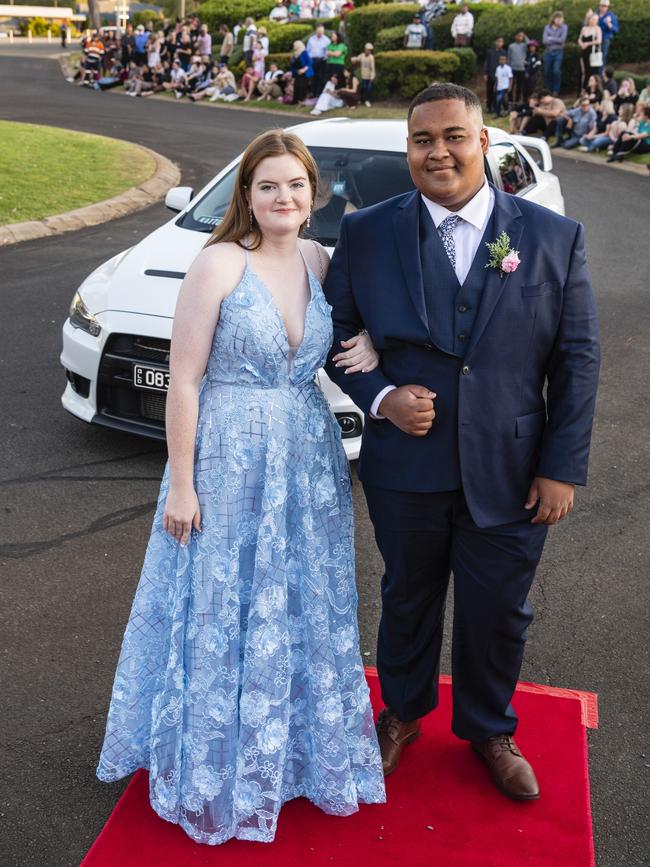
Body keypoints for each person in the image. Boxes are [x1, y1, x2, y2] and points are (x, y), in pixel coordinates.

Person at [96, 128, 386, 844]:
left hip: (306, 457)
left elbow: (372, 315)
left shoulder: (323, 259)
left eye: (294, 185)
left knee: (293, 596)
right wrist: (183, 485)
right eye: (267, 186)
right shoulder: (220, 262)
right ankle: (214, 764)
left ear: (313, 194)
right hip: (225, 452)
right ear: (247, 197)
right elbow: (185, 382)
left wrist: (374, 341)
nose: (282, 197)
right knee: (224, 599)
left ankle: (283, 757)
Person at [323, 82, 600, 803]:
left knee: (499, 607)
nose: (437, 151)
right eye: (422, 140)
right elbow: (332, 336)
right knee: (407, 594)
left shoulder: (550, 237)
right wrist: (380, 397)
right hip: (404, 466)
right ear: (408, 149)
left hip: (511, 468)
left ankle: (489, 727)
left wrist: (562, 467)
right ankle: (402, 713)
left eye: (452, 136)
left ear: (484, 142)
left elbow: (576, 360)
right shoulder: (366, 232)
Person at [542, 11, 567, 96]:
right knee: (547, 72)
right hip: (548, 51)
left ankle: (556, 90)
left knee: (556, 70)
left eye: (561, 19)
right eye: (558, 19)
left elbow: (562, 40)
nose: (560, 21)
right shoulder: (547, 27)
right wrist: (556, 39)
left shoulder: (564, 27)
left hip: (558, 52)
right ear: (554, 19)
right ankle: (547, 90)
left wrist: (551, 38)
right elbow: (545, 40)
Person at [578, 13, 603, 91]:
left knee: (592, 71)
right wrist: (581, 44)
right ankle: (583, 88)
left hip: (592, 53)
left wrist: (587, 44)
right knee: (583, 71)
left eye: (596, 20)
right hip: (584, 52)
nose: (594, 21)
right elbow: (579, 39)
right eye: (593, 19)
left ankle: (592, 89)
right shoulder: (584, 28)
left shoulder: (597, 29)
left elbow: (599, 40)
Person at [307, 23, 331, 96]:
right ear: (316, 31)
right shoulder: (311, 39)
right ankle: (313, 93)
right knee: (313, 77)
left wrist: (325, 58)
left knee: (321, 77)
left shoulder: (327, 40)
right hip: (313, 60)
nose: (320, 33)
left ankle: (319, 93)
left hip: (322, 61)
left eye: (321, 31)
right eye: (319, 31)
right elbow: (308, 50)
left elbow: (328, 51)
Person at [484, 36, 505, 114]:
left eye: (501, 42)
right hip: (490, 75)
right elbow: (487, 62)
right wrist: (485, 73)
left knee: (497, 92)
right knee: (489, 91)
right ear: (495, 42)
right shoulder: (490, 52)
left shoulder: (504, 53)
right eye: (498, 41)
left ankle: (495, 107)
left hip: (499, 77)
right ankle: (489, 107)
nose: (500, 43)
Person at [351, 42, 376, 108]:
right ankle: (362, 100)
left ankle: (367, 100)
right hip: (363, 76)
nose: (369, 51)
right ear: (365, 49)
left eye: (370, 50)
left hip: (369, 76)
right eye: (368, 50)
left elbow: (372, 67)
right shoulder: (362, 55)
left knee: (368, 89)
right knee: (364, 88)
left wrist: (373, 75)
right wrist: (353, 59)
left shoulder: (371, 57)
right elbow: (356, 59)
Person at [507, 30, 528, 104]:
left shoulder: (524, 45)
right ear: (515, 36)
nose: (520, 37)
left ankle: (517, 100)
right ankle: (510, 100)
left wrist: (525, 36)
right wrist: (508, 68)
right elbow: (509, 58)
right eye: (518, 35)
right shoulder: (511, 46)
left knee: (520, 85)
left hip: (521, 68)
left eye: (521, 36)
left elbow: (529, 43)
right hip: (512, 68)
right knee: (511, 85)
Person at [597, 0, 619, 65]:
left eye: (605, 6)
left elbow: (616, 29)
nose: (603, 8)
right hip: (593, 39)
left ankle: (601, 73)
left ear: (608, 7)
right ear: (599, 6)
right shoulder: (595, 14)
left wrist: (609, 24)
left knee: (602, 57)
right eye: (602, 6)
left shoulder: (611, 16)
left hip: (605, 39)